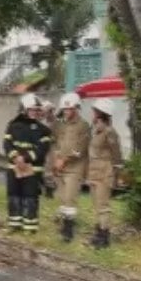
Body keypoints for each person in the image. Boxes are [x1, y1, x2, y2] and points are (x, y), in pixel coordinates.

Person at [4, 94, 52, 233]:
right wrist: (15, 157)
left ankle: (30, 227)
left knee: (30, 197)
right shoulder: (12, 126)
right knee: (14, 195)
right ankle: (14, 224)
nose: (36, 113)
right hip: (14, 168)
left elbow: (42, 149)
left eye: (37, 110)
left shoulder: (43, 130)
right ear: (24, 110)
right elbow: (7, 144)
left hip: (33, 170)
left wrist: (24, 159)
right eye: (32, 110)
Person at [52, 93, 91, 242]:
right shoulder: (61, 124)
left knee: (70, 198)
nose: (66, 112)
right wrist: (56, 158)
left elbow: (80, 149)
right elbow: (56, 141)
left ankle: (68, 230)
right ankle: (63, 222)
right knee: (62, 197)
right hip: (60, 166)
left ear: (76, 108)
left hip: (75, 168)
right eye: (64, 109)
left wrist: (65, 160)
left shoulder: (84, 126)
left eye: (69, 109)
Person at [86, 98, 123, 249]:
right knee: (96, 204)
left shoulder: (110, 132)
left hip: (104, 171)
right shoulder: (96, 130)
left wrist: (116, 173)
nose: (92, 114)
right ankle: (98, 233)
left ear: (100, 113)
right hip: (94, 171)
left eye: (94, 111)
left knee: (103, 205)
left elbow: (117, 154)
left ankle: (104, 237)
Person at [40, 100, 58, 199]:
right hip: (44, 146)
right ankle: (47, 188)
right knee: (44, 169)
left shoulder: (56, 122)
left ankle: (50, 191)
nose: (44, 113)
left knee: (49, 170)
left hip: (53, 147)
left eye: (46, 111)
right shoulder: (45, 121)